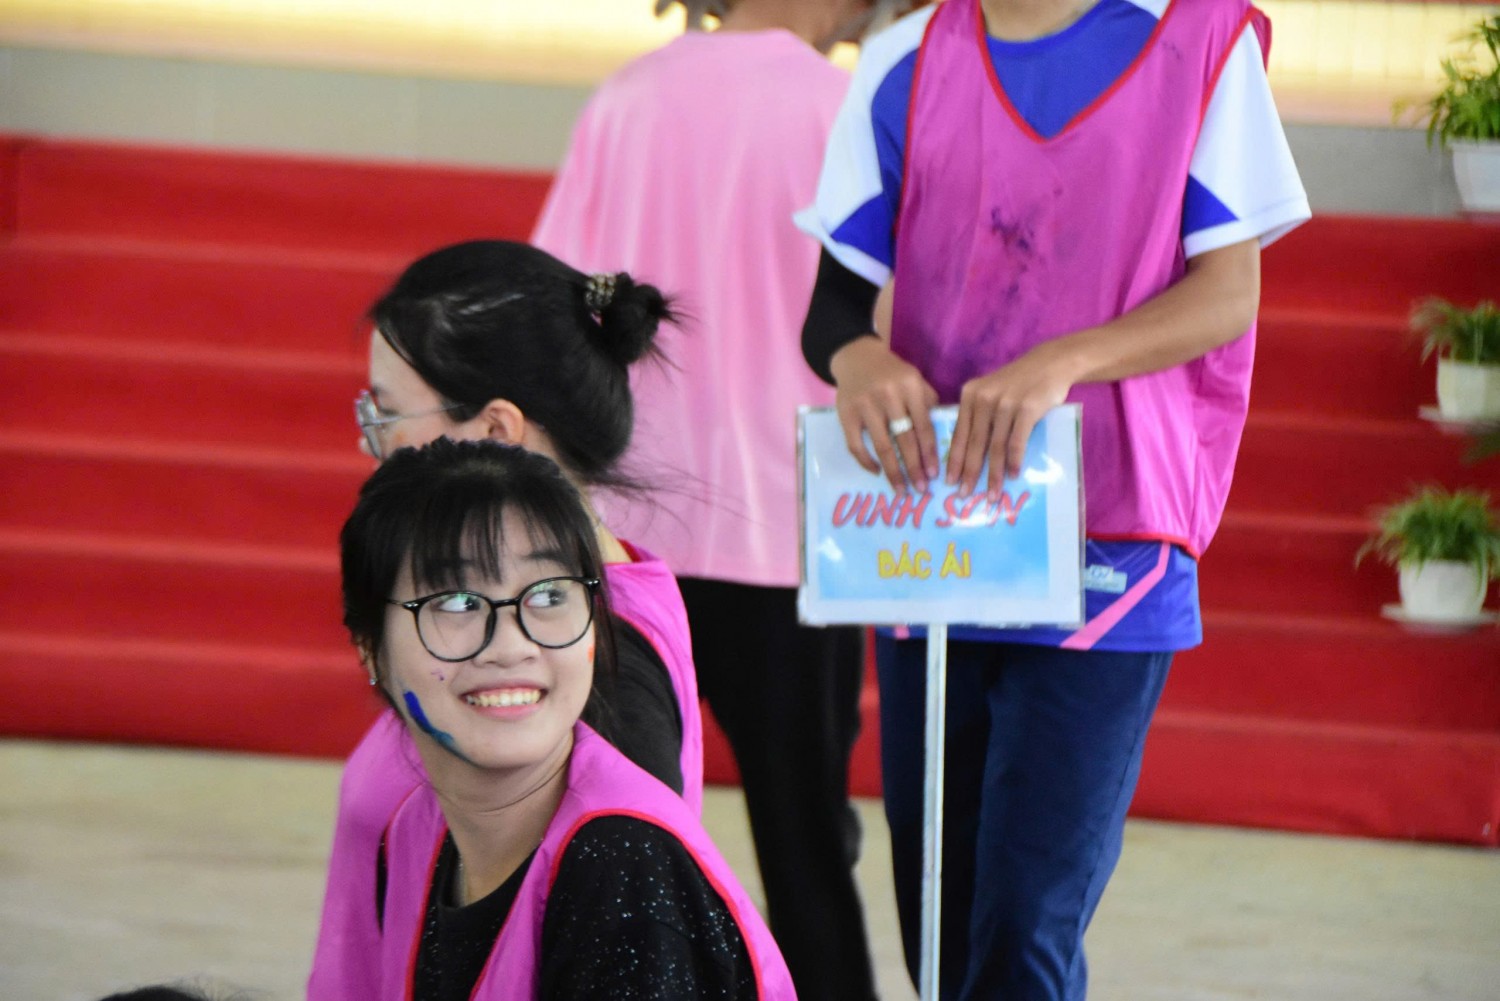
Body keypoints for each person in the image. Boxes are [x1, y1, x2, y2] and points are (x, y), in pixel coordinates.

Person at [798, 0, 1311, 997]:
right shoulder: (904, 59)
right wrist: (859, 360)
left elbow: (1228, 292)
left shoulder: (1198, 39)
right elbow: (834, 306)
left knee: (1025, 924)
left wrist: (1064, 361)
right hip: (939, 528)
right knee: (940, 921)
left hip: (1113, 532)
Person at [529, 3, 910, 996]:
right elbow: (894, 309)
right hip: (789, 527)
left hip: (625, 530)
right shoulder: (845, 106)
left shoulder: (629, 96)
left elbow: (556, 306)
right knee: (806, 842)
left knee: (613, 830)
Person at [308, 242, 702, 999]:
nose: (370, 441)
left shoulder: (592, 664)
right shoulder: (560, 618)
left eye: (386, 414)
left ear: (494, 432)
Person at [322, 438, 794, 999]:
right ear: (370, 648)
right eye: (456, 603)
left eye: (548, 595)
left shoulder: (623, 864)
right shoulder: (417, 830)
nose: (511, 646)